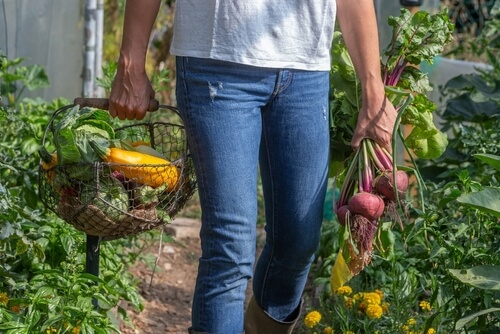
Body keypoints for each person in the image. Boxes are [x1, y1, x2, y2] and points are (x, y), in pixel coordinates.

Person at [109, 0, 397, 333]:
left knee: (298, 242)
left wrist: (373, 87)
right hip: (216, 63)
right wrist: (130, 62)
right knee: (229, 247)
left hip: (305, 69)